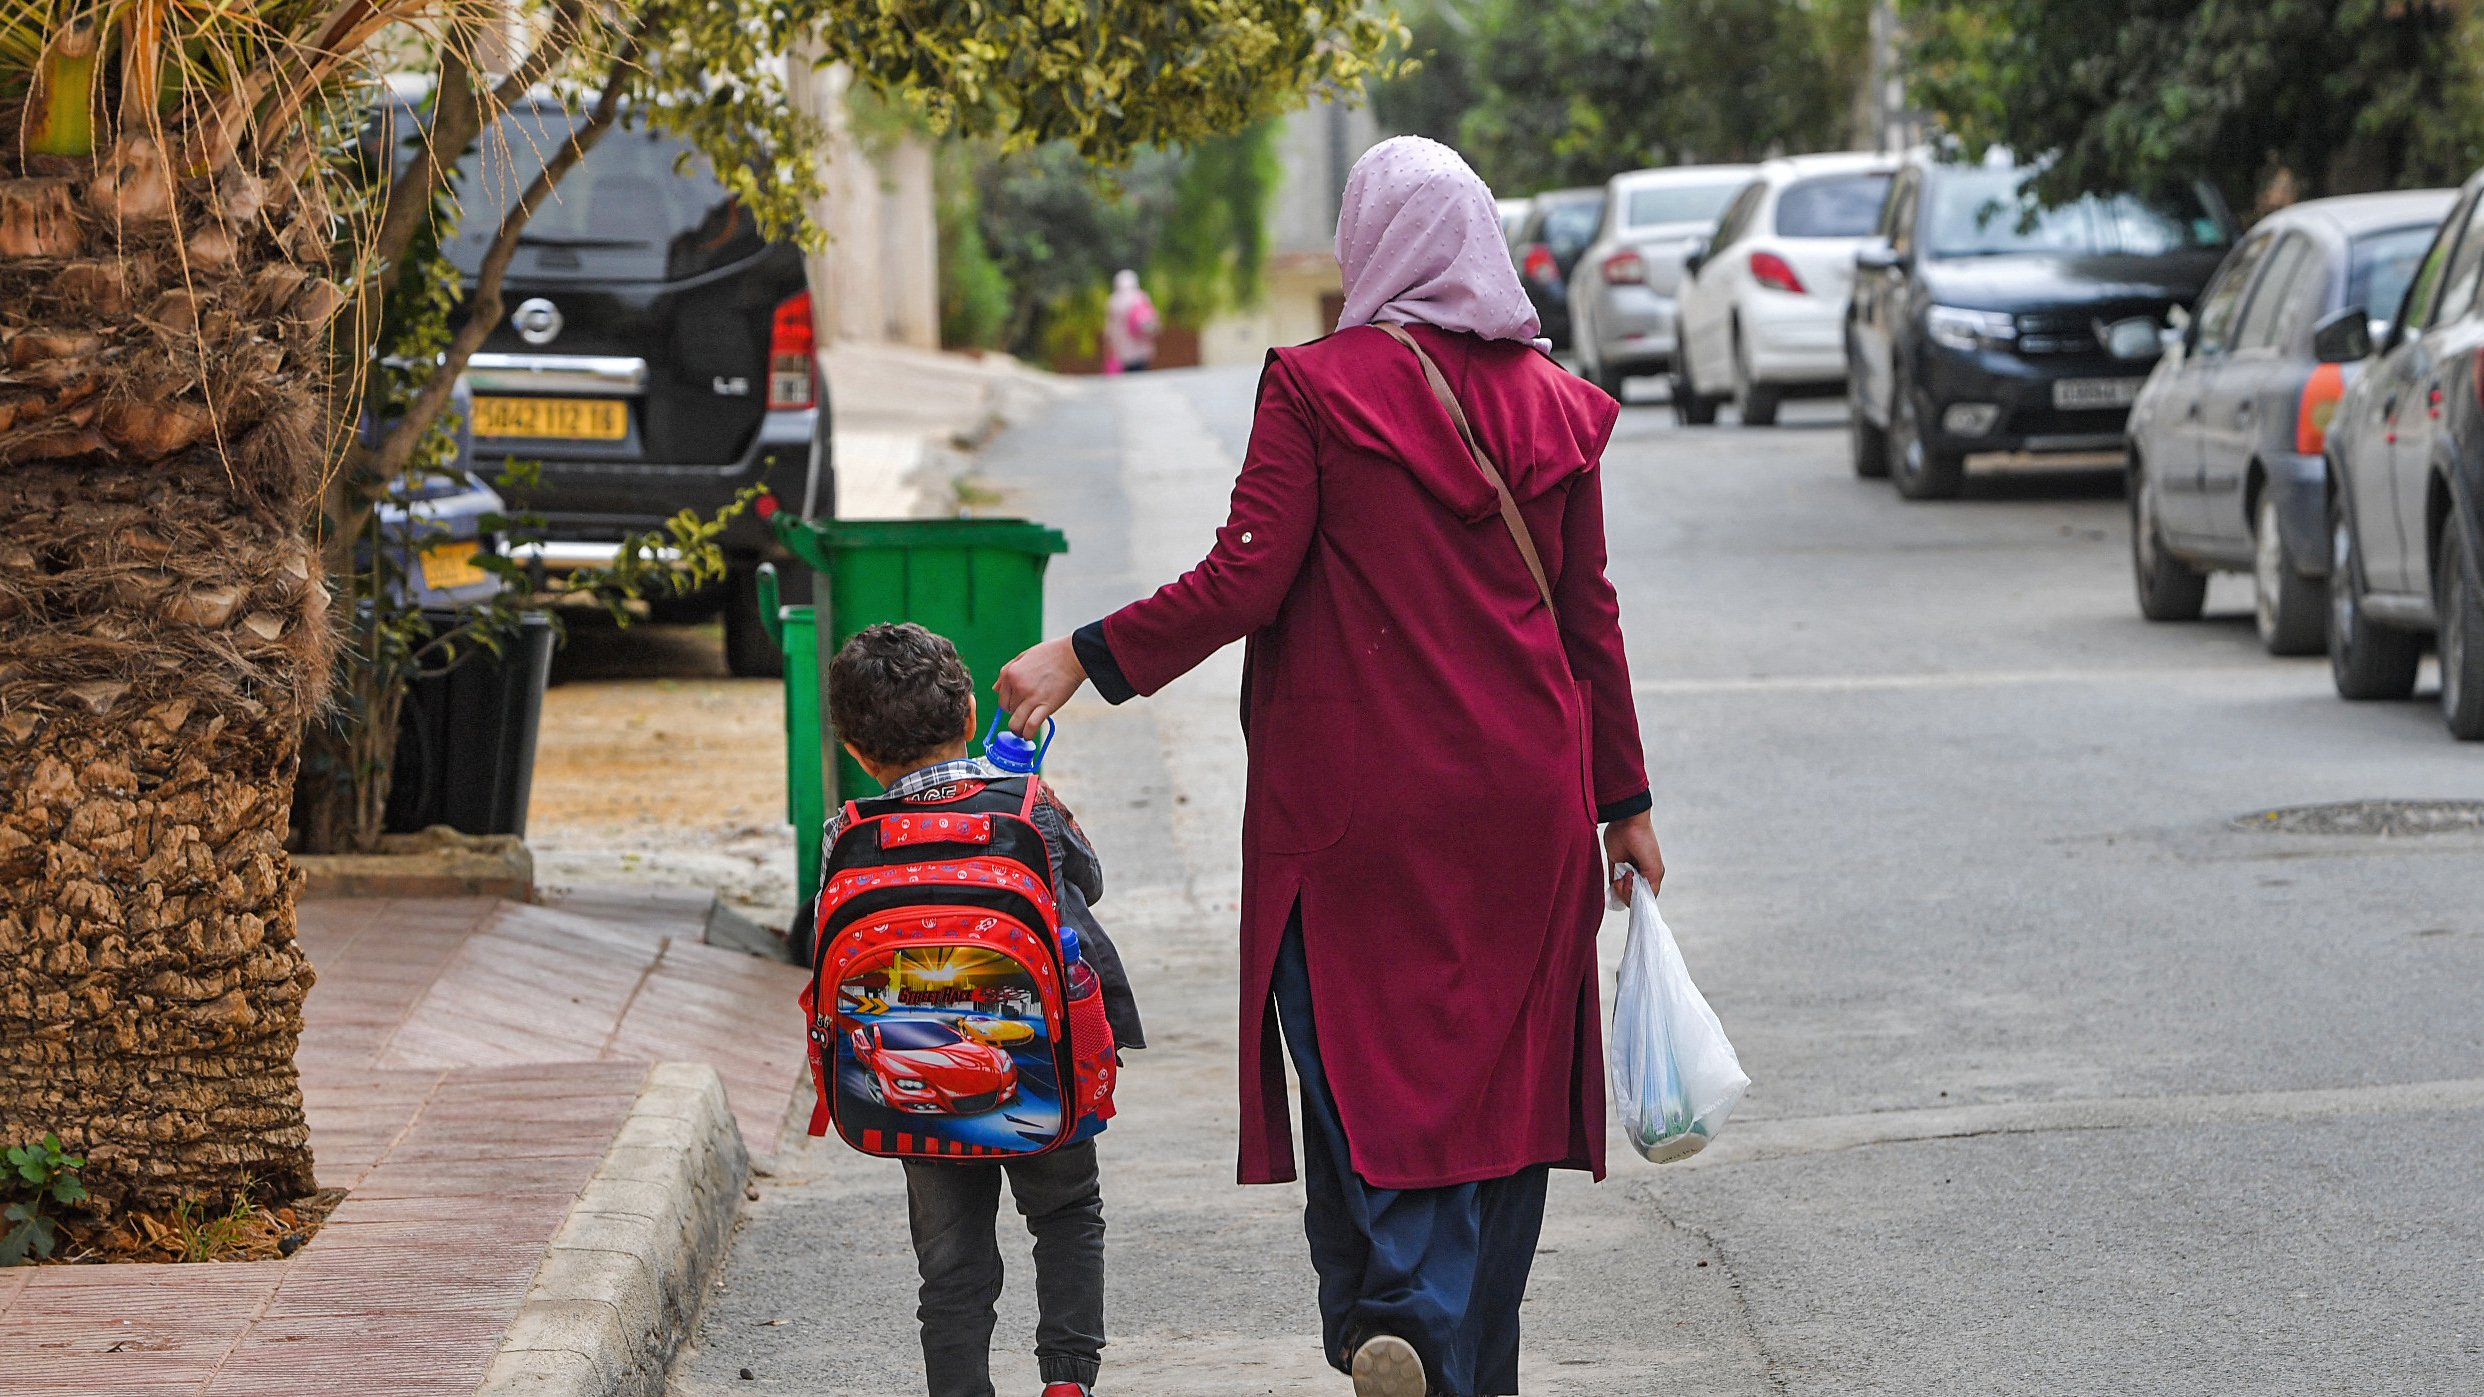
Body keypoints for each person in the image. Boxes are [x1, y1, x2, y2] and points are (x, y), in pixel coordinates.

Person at [995, 137, 1664, 1397]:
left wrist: (1084, 653)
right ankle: (1451, 1350)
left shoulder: (1315, 387)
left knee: (1365, 1064)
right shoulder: (1559, 408)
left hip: (1357, 810)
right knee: (1505, 1090)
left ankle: (1393, 1312)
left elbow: (1245, 577)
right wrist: (1623, 801)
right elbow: (1591, 624)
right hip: (1530, 800)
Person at [822, 622, 1146, 1397]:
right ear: (969, 715)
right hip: (1042, 1066)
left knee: (950, 1262)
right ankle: (1067, 1382)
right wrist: (1028, 788)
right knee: (1066, 1213)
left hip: (910, 1077)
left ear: (858, 753)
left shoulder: (847, 835)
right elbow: (1087, 882)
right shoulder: (1027, 806)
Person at [1101, 269, 1159, 373]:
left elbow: (1109, 328)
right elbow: (1151, 320)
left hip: (1121, 349)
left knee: (1127, 380)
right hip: (1141, 347)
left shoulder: (1113, 301)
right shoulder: (1141, 297)